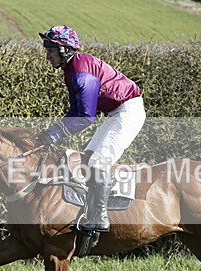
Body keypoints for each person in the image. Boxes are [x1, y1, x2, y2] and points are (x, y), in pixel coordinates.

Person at [35, 25, 145, 234]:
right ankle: (89, 210)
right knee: (88, 158)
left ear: (65, 50)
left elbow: (86, 117)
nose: (47, 56)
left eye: (50, 51)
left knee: (99, 161)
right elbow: (75, 110)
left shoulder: (80, 72)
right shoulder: (72, 69)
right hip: (116, 113)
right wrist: (53, 131)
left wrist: (55, 134)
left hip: (128, 111)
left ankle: (100, 216)